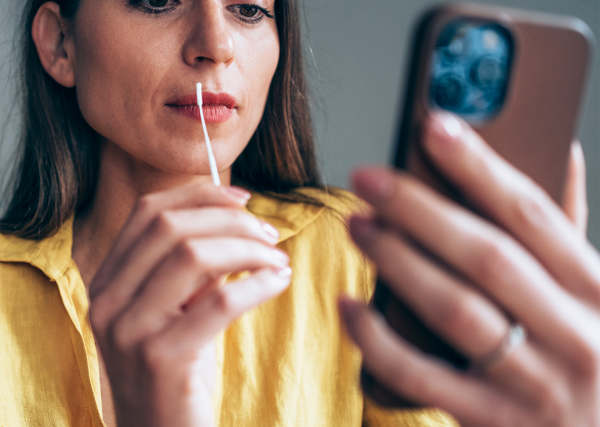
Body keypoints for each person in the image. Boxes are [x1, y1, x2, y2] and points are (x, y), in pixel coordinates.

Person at [0, 1, 597, 427]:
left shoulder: (365, 255)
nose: (216, 43)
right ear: (60, 44)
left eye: (249, 10)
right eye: (157, 1)